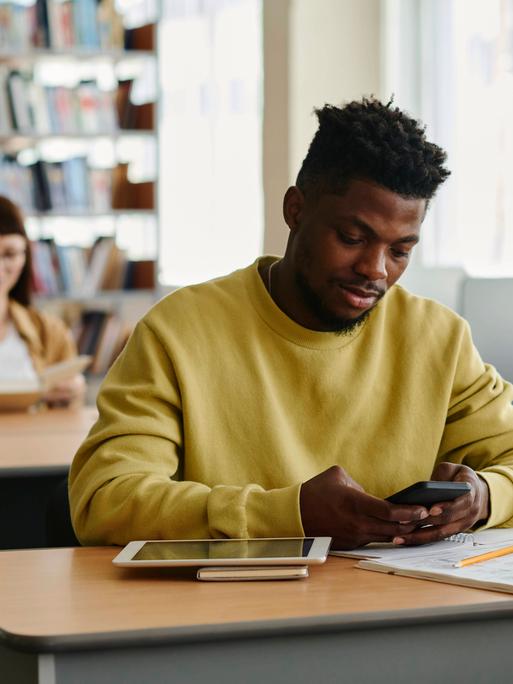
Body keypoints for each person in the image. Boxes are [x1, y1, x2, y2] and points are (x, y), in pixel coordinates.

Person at [69, 97, 513, 549]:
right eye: (352, 238)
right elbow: (105, 501)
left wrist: (485, 497)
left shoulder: (438, 339)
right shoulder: (178, 332)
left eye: (400, 250)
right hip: (228, 614)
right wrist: (290, 514)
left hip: (395, 607)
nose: (376, 270)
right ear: (295, 210)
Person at [0, 195, 85, 407]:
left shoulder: (49, 331)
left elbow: (70, 417)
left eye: (10, 254)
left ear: (25, 257)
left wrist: (74, 391)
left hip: (34, 438)